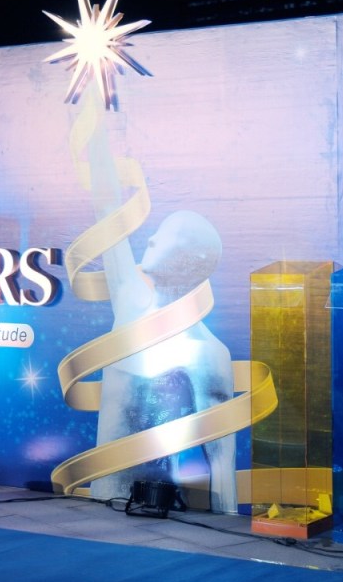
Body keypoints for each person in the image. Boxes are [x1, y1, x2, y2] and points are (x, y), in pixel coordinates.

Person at [83, 108, 237, 513]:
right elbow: (107, 209)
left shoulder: (208, 354)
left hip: (153, 514)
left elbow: (221, 458)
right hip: (101, 504)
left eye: (167, 236)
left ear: (192, 259)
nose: (150, 240)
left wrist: (228, 526)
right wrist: (95, 123)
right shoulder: (130, 301)